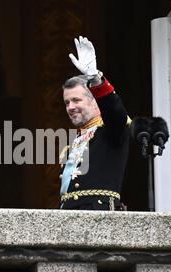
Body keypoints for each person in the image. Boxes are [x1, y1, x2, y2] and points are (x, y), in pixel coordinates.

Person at [59, 36, 131, 211]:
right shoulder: (73, 143)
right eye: (67, 102)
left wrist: (96, 80)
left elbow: (115, 112)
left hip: (98, 215)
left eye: (76, 100)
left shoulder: (111, 131)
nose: (71, 107)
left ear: (95, 101)